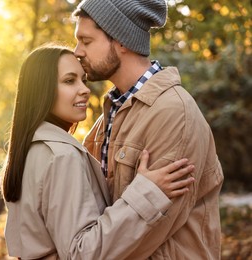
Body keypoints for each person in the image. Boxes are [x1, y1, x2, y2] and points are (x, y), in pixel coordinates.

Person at [1, 44, 195, 259]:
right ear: (41, 89)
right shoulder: (62, 155)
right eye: (69, 81)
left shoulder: (31, 148)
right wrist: (147, 194)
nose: (84, 89)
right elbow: (81, 253)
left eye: (83, 80)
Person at [72, 0, 224, 259]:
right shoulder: (111, 113)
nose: (77, 51)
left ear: (121, 41)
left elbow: (143, 236)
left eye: (86, 41)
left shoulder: (173, 113)